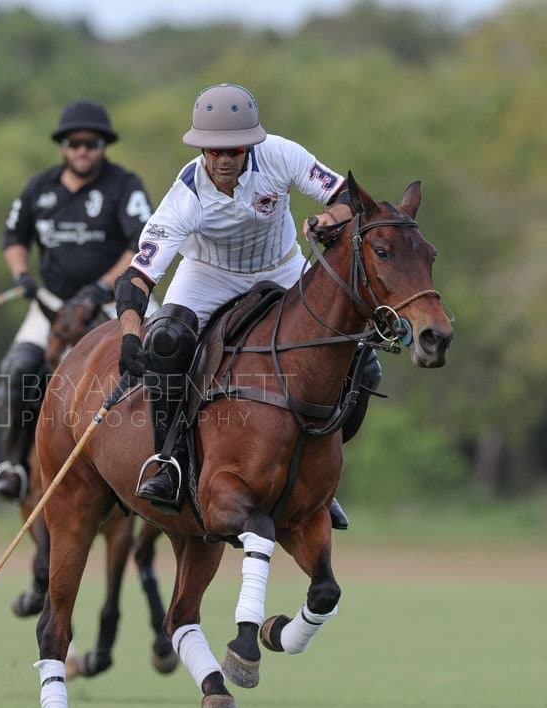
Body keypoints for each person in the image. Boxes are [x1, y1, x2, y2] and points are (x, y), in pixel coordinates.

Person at [112, 82, 381, 527]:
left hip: (281, 269)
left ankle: (319, 479)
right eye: (212, 150)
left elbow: (348, 198)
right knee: (165, 343)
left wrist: (326, 220)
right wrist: (128, 334)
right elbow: (138, 277)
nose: (222, 159)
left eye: (233, 150)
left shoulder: (280, 155)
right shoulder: (186, 196)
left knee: (364, 364)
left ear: (250, 145)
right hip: (207, 276)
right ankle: (170, 462)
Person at [0, 100, 153, 502]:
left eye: (91, 143)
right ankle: (14, 466)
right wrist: (23, 276)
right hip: (54, 302)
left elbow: (142, 243)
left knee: (166, 361)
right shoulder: (39, 189)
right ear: (63, 145)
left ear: (103, 146)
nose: (83, 150)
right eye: (75, 142)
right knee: (18, 368)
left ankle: (167, 458)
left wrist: (103, 285)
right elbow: (14, 239)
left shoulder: (123, 186)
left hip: (117, 300)